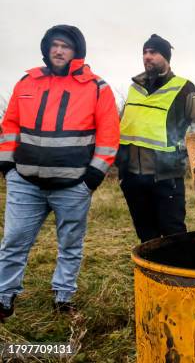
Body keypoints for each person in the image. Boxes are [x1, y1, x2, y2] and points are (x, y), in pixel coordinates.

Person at [0, 25, 119, 318]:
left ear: (76, 51)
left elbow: (108, 135)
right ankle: (4, 298)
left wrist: (92, 177)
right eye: (54, 45)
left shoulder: (97, 87)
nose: (59, 50)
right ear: (46, 49)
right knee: (13, 242)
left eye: (65, 46)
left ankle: (63, 298)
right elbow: (11, 124)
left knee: (70, 245)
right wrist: (7, 167)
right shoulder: (27, 81)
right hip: (25, 183)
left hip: (73, 186)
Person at [116, 34, 195, 243]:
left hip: (166, 178)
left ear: (166, 58)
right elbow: (124, 125)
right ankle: (151, 275)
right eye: (145, 52)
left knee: (173, 234)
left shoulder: (185, 88)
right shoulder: (134, 89)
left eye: (153, 52)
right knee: (146, 236)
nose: (147, 57)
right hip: (132, 178)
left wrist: (183, 156)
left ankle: (178, 274)